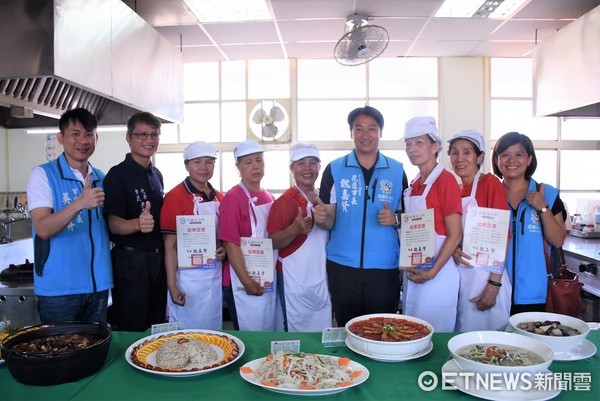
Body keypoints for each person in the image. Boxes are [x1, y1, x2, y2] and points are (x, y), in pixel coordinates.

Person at [315, 106, 407, 327]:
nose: (366, 135)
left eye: (372, 129)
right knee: (348, 328)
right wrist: (321, 218)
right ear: (351, 133)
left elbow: (409, 218)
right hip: (342, 266)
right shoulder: (335, 169)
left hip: (384, 267)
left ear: (380, 132)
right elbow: (329, 221)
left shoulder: (397, 170)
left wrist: (394, 219)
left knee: (382, 330)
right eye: (359, 129)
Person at [26, 107, 112, 323]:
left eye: (89, 134)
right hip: (59, 290)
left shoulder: (101, 177)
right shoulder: (43, 175)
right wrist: (79, 204)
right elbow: (43, 228)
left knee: (95, 353)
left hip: (98, 286)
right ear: (60, 138)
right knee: (60, 354)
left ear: (96, 138)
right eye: (76, 134)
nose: (83, 140)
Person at [103, 112, 167, 331]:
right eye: (142, 134)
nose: (149, 140)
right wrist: (136, 224)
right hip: (131, 262)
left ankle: (155, 365)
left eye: (154, 134)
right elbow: (112, 223)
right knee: (133, 325)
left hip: (158, 260)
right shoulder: (116, 175)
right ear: (129, 137)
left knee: (157, 323)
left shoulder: (156, 174)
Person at [491, 131, 566, 315]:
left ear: (529, 159)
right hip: (497, 292)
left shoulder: (548, 194)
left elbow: (558, 240)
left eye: (519, 154)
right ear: (497, 160)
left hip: (537, 295)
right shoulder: (490, 195)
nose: (511, 160)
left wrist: (543, 208)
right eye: (505, 154)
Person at [402, 116, 462, 332]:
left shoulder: (445, 181)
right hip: (415, 267)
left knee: (433, 331)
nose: (412, 149)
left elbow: (455, 234)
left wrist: (431, 272)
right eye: (408, 144)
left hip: (439, 272)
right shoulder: (414, 183)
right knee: (411, 329)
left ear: (435, 146)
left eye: (419, 143)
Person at [447, 130, 512, 332]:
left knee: (491, 343)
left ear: (480, 157)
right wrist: (455, 249)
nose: (459, 159)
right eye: (454, 153)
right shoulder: (455, 188)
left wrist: (494, 285)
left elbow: (504, 237)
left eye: (467, 152)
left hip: (487, 276)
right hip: (463, 274)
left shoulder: (490, 184)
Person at [160, 141, 226, 330]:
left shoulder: (219, 198)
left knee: (213, 332)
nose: (204, 168)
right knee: (185, 332)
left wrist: (223, 250)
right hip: (186, 280)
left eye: (209, 162)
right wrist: (172, 285)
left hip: (213, 278)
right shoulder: (174, 197)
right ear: (187, 165)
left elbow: (222, 240)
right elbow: (169, 246)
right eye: (197, 162)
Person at [267, 143, 332, 332]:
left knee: (320, 328)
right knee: (295, 330)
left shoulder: (323, 198)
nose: (307, 168)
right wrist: (294, 230)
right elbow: (272, 242)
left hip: (318, 277)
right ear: (291, 168)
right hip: (293, 279)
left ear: (319, 167)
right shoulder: (284, 202)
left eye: (313, 162)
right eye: (300, 163)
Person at [219, 140, 283, 331]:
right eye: (248, 162)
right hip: (241, 280)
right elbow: (231, 244)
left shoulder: (269, 197)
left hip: (265, 276)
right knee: (250, 335)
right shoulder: (233, 197)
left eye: (259, 160)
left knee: (268, 329)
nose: (255, 166)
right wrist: (246, 280)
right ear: (238, 166)